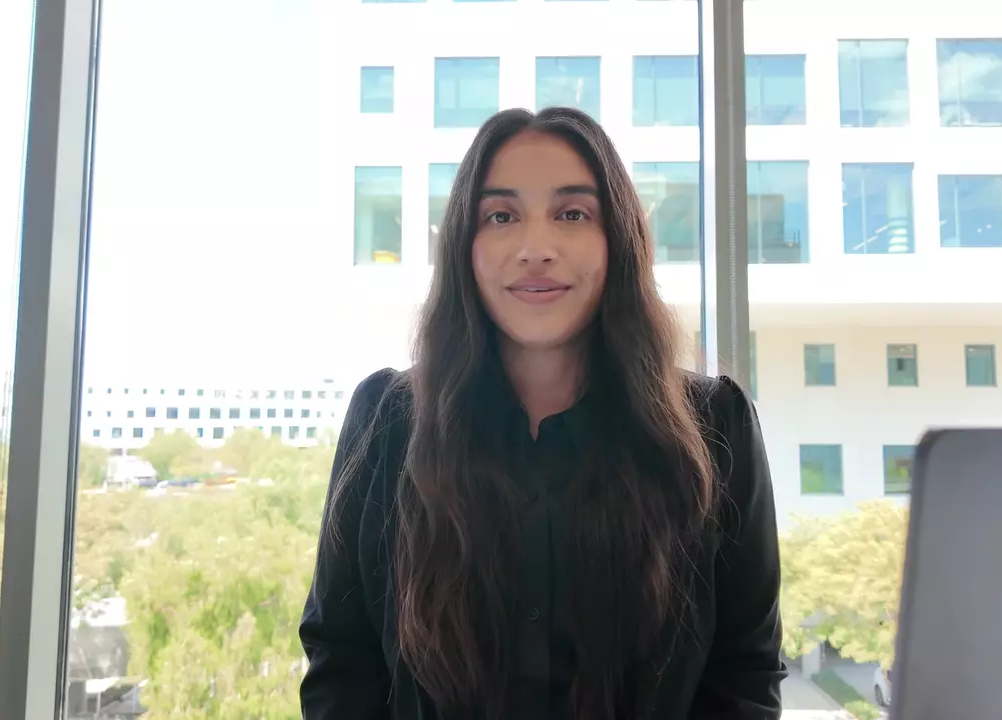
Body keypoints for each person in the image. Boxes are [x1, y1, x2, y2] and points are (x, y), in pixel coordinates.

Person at [299, 107, 785, 720]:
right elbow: (341, 662)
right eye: (501, 216)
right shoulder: (387, 420)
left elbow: (744, 673)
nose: (536, 250)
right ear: (464, 247)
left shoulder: (715, 426)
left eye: (572, 214)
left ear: (619, 241)